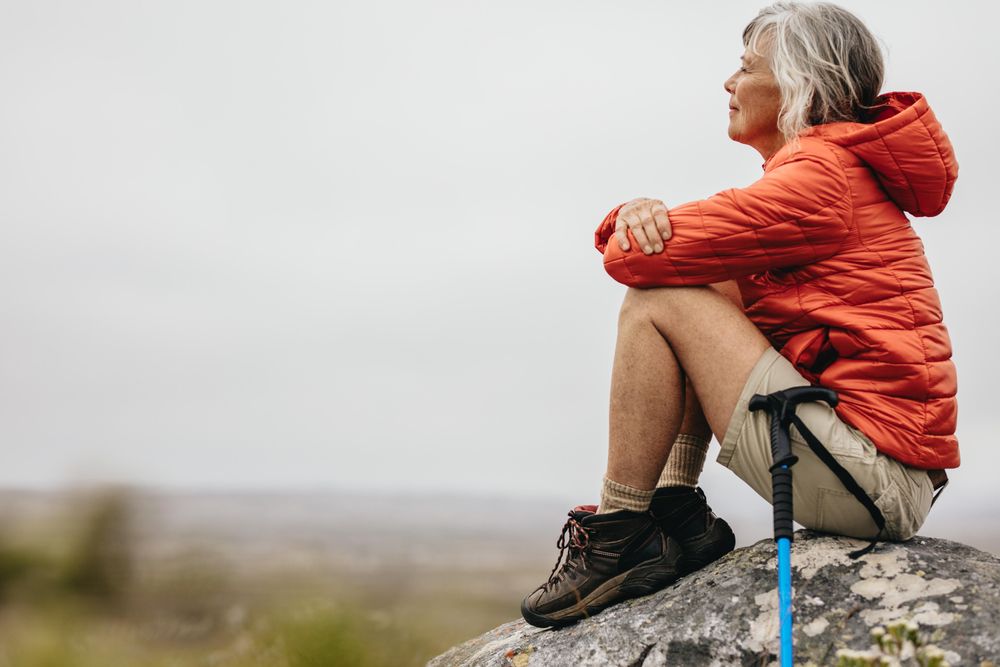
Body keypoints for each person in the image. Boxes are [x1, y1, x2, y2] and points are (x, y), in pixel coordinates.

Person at [520, 1, 959, 629]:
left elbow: (634, 261)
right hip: (872, 466)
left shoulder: (819, 178)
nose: (730, 83)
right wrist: (643, 214)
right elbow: (684, 254)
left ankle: (620, 533)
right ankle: (674, 511)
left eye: (746, 68)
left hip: (871, 475)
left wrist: (629, 220)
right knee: (708, 279)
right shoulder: (831, 172)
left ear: (800, 85)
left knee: (660, 299)